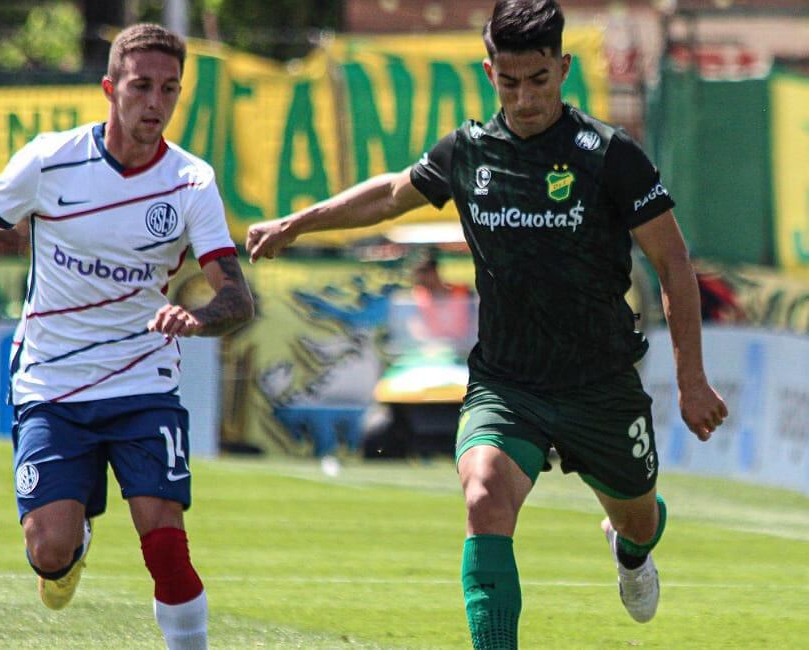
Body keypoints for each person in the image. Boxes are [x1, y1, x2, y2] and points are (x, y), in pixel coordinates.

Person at [246, 1, 727, 647]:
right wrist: (296, 223)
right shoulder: (469, 152)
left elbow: (672, 262)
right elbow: (391, 193)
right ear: (488, 71)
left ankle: (632, 549)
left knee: (638, 520)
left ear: (564, 68)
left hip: (600, 384)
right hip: (508, 383)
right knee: (483, 498)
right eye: (508, 81)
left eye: (539, 80)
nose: (525, 99)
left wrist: (691, 379)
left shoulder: (610, 156)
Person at [0, 23, 254, 650]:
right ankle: (71, 550)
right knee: (48, 551)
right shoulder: (50, 160)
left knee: (165, 542)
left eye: (169, 89)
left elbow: (235, 295)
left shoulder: (191, 181)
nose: (155, 103)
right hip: (51, 379)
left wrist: (199, 318)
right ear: (109, 88)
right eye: (141, 86)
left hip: (143, 378)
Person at [408, 246, 475, 345]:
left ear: (434, 272)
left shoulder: (464, 293)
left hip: (464, 347)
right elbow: (415, 327)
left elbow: (474, 323)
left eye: (424, 273)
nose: (421, 281)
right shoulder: (417, 298)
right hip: (433, 350)